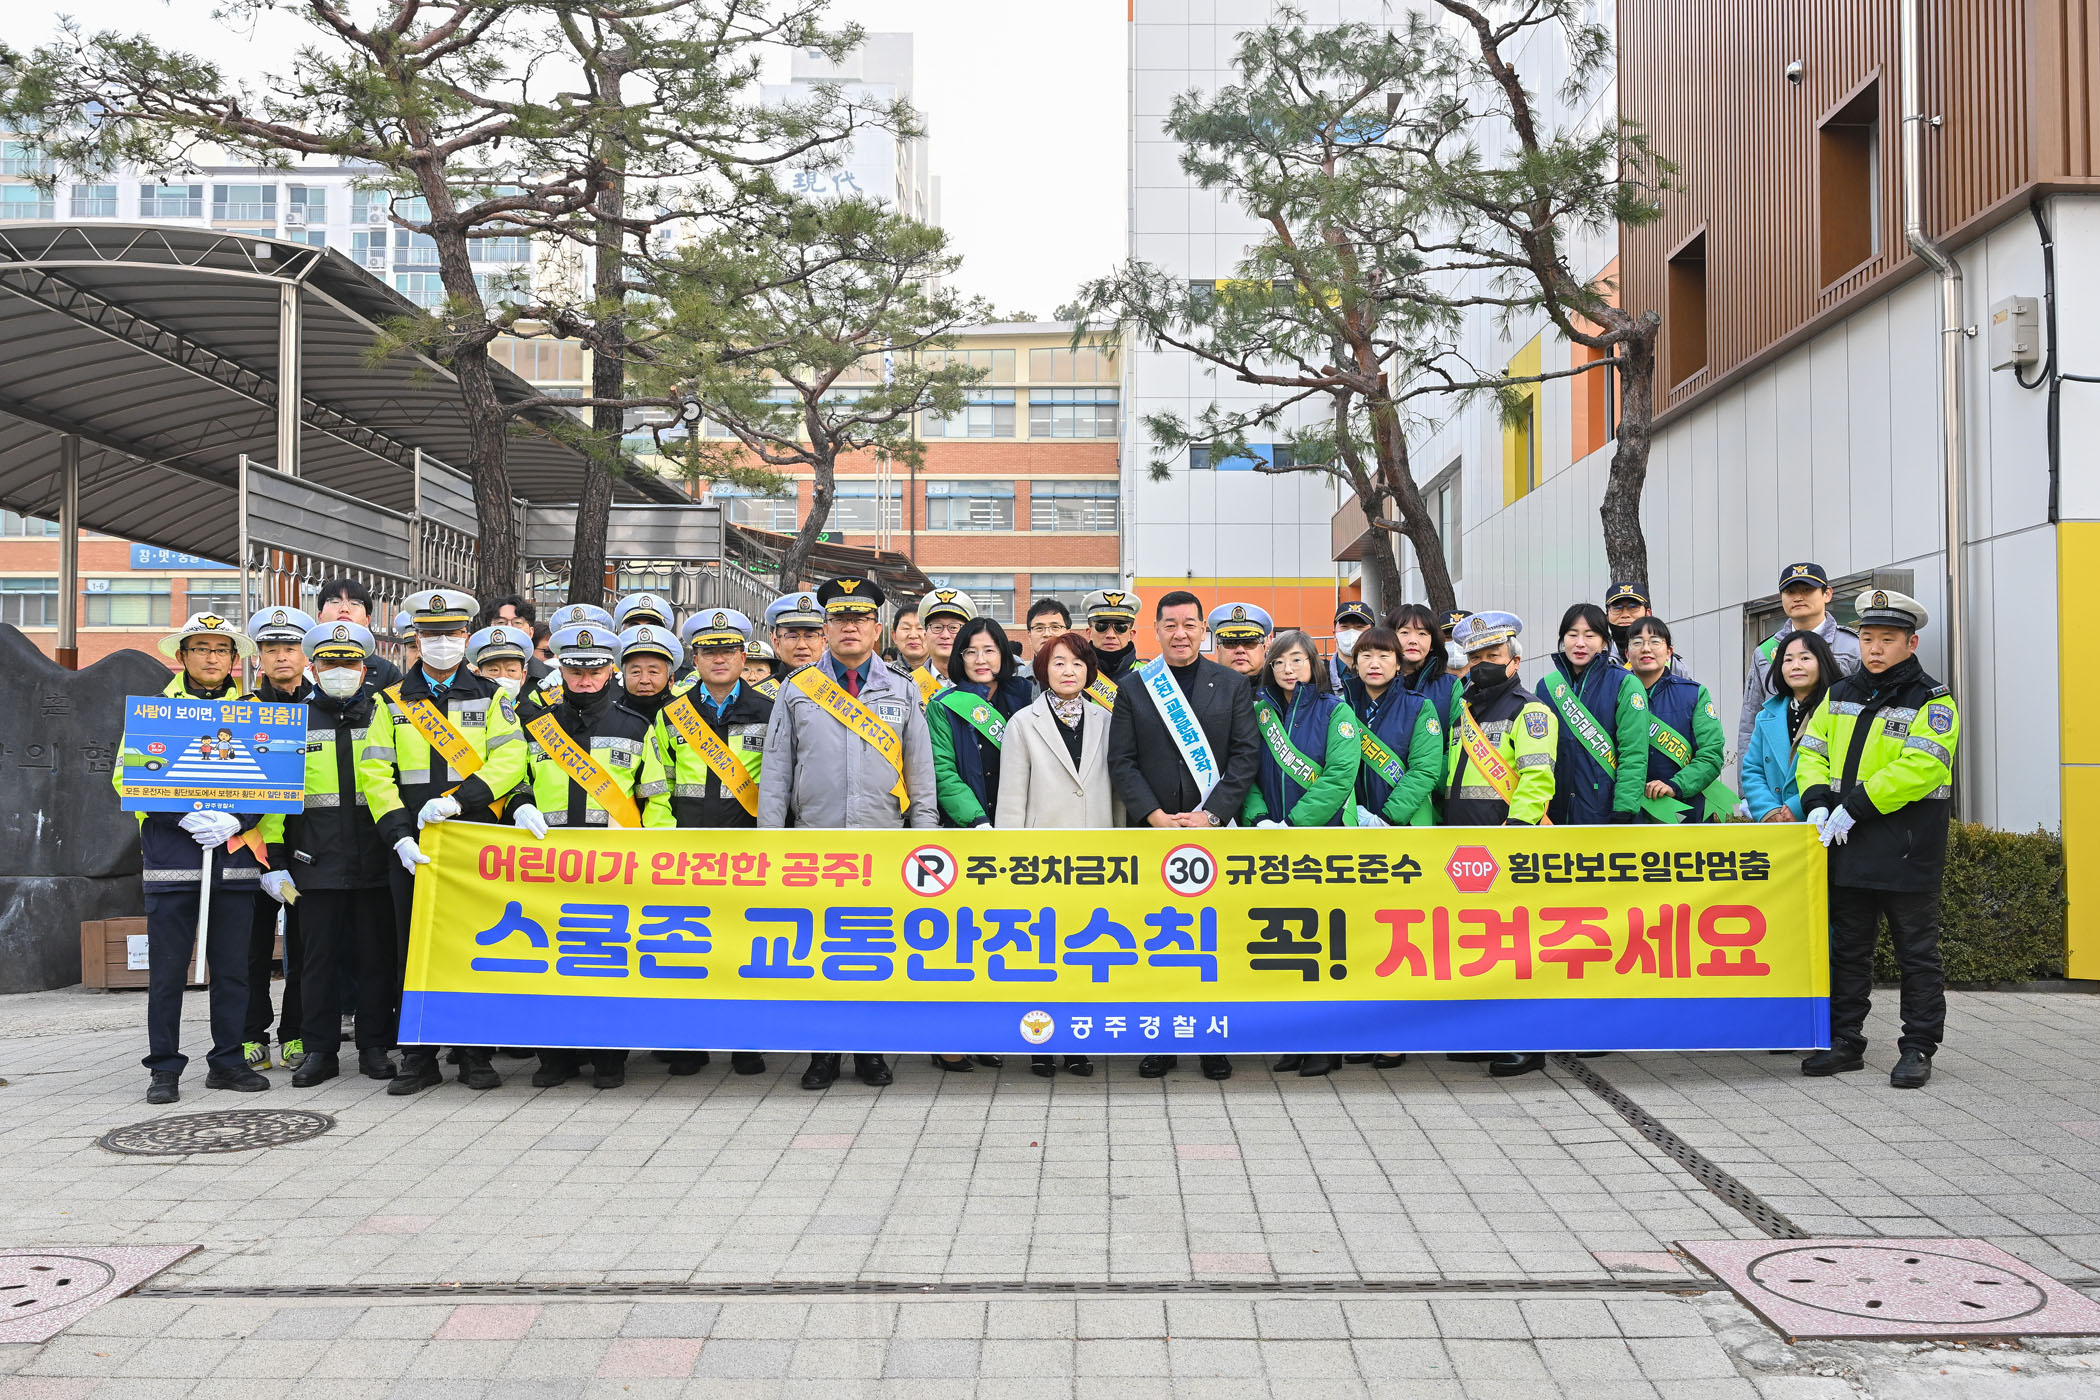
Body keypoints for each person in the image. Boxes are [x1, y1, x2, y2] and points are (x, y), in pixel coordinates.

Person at [758, 576, 939, 1090]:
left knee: (873, 950)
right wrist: (770, 840)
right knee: (822, 953)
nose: (850, 628)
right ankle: (823, 1053)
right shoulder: (798, 687)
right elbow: (777, 769)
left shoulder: (902, 688)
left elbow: (921, 771)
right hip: (817, 844)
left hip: (883, 842)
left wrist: (923, 839)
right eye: (839, 619)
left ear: (877, 629)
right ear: (827, 628)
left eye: (860, 619)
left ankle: (871, 1052)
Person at [361, 588, 530, 1097]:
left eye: (451, 633)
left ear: (466, 636)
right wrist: (398, 836)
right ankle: (417, 1054)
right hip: (413, 848)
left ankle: (474, 1052)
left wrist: (460, 801)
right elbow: (375, 774)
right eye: (432, 634)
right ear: (416, 638)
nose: (442, 642)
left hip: (474, 840)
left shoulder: (492, 696)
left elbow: (510, 761)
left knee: (474, 945)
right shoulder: (390, 702)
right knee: (413, 951)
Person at [1796, 589, 1958, 1090]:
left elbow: (1923, 766)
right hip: (1848, 845)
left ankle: (1918, 1048)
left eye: (1888, 639)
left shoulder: (1933, 699)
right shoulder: (1839, 692)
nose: (1875, 648)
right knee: (1848, 950)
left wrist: (1855, 805)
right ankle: (1845, 1042)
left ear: (1911, 643)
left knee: (1917, 955)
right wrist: (1816, 800)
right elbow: (1812, 751)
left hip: (1907, 847)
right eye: (1868, 638)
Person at [123, 613, 277, 1104]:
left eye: (221, 649)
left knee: (232, 970)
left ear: (234, 659)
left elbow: (278, 779)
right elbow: (127, 777)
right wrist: (181, 815)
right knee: (167, 972)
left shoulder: (258, 712)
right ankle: (163, 1068)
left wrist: (238, 819)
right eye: (201, 648)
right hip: (171, 858)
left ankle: (228, 1061)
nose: (212, 658)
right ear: (182, 655)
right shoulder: (155, 711)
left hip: (233, 859)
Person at [513, 621, 673, 1089]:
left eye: (595, 671)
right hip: (549, 865)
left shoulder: (635, 725)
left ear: (610, 672)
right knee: (549, 961)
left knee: (608, 961)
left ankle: (609, 1056)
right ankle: (554, 1056)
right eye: (575, 671)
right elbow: (517, 780)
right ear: (561, 671)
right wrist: (521, 804)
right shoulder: (536, 726)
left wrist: (656, 854)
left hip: (613, 867)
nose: (585, 680)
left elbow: (656, 798)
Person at [1108, 590, 1261, 1082]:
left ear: (1203, 631)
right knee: (1158, 940)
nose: (1180, 633)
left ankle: (1212, 1042)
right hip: (1153, 835)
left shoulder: (1232, 684)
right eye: (1170, 625)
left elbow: (1246, 756)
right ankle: (1161, 1040)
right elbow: (1122, 761)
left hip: (1213, 834)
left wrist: (1211, 815)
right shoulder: (1135, 687)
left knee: (1211, 942)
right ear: (1155, 630)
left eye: (1189, 624)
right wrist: (1152, 814)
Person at [1241, 628, 1361, 1080]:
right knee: (1285, 946)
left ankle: (1327, 1044)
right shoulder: (1261, 712)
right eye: (1279, 662)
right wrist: (1258, 819)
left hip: (1321, 843)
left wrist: (1294, 824)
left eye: (1297, 660)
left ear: (1314, 663)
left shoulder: (1335, 711)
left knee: (1323, 949)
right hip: (1272, 846)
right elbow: (1247, 771)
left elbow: (1340, 776)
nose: (1288, 669)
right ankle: (1293, 1039)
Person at [655, 609, 771, 1077]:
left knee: (745, 949)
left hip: (747, 852)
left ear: (744, 656)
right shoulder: (672, 714)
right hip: (687, 853)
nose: (719, 659)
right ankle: (690, 1042)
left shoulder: (769, 711)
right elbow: (658, 786)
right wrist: (666, 845)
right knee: (688, 948)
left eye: (728, 650)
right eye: (709, 651)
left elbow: (778, 783)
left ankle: (746, 1042)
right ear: (695, 658)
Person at [1442, 611, 1557, 1080]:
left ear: (1515, 659)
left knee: (1516, 950)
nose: (1482, 664)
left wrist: (1516, 831)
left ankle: (1524, 1043)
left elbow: (1537, 777)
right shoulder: (1465, 710)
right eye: (1475, 657)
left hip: (1508, 843)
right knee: (1476, 948)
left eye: (1493, 654)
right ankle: (1483, 1034)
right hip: (1465, 846)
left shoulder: (1530, 711)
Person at [996, 629, 1113, 1079]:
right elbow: (1011, 799)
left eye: (1078, 663)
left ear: (1090, 672)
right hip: (1039, 861)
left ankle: (1078, 1044)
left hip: (1095, 859)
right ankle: (1040, 1044)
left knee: (1085, 951)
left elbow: (1116, 795)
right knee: (1041, 956)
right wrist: (1010, 858)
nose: (1069, 671)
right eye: (1059, 663)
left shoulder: (1105, 719)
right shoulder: (1023, 723)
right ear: (1043, 670)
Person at [289, 620, 399, 1085]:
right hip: (315, 861)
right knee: (318, 962)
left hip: (375, 856)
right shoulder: (292, 720)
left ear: (364, 669)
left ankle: (375, 1047)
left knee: (376, 958)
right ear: (313, 668)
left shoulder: (384, 716)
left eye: (350, 663)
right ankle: (319, 1050)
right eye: (330, 663)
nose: (340, 671)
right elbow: (277, 798)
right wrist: (275, 859)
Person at [238, 606, 318, 1077]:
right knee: (251, 948)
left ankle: (296, 1034)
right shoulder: (242, 711)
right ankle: (251, 1035)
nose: (282, 657)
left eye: (290, 648)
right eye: (271, 649)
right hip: (253, 849)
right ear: (259, 658)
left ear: (307, 655)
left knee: (304, 948)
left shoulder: (323, 706)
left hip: (307, 850)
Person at [1735, 562, 1863, 788]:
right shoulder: (1764, 652)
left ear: (1827, 594)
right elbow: (1750, 720)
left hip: (1833, 770)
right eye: (1790, 592)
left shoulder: (1854, 646)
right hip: (1778, 775)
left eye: (1807, 590)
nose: (1798, 597)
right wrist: (1747, 791)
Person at [1534, 603, 1650, 826]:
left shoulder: (1624, 683)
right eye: (1572, 635)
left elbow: (1634, 753)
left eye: (1589, 635)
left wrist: (1624, 809)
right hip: (1554, 813)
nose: (1580, 643)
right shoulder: (1546, 687)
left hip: (1606, 812)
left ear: (1604, 641)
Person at [928, 616, 1034, 831]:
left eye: (989, 650)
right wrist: (976, 820)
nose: (980, 660)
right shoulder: (943, 706)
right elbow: (942, 770)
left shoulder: (1025, 694)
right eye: (970, 652)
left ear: (1003, 654)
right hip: (968, 826)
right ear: (960, 657)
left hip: (1022, 823)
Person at [1623, 618, 1729, 823]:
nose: (1646, 649)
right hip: (1626, 812)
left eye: (1655, 641)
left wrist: (1676, 785)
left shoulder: (1693, 694)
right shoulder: (1614, 695)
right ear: (1627, 654)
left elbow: (1710, 754)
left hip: (1685, 810)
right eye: (1637, 642)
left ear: (1669, 652)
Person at [1344, 626, 1443, 829]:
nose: (1374, 664)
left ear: (1398, 663)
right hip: (1350, 823)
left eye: (1384, 656)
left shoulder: (1419, 707)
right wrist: (1353, 812)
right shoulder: (1340, 707)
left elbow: (1424, 770)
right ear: (1355, 663)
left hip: (1405, 825)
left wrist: (1387, 817)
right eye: (1366, 656)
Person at [1741, 629, 1840, 824]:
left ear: (1823, 662)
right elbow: (1752, 769)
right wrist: (1768, 810)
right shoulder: (1765, 716)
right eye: (1788, 660)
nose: (1795, 666)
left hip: (1822, 818)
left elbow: (1841, 768)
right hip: (1776, 824)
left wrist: (1798, 806)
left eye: (1805, 658)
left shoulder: (1839, 712)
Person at [318, 579, 403, 689]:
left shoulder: (387, 673)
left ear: (367, 620)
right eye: (334, 602)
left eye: (354, 603)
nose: (344, 609)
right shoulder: (304, 669)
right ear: (320, 616)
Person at [1604, 581, 1690, 677]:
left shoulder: (1672, 664)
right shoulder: (1598, 658)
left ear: (1648, 613)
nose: (1625, 614)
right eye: (1617, 608)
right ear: (1607, 615)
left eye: (1633, 607)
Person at [913, 588, 976, 706]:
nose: (945, 635)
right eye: (937, 627)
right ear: (925, 635)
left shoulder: (980, 681)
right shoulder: (910, 684)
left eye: (953, 627)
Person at [1081, 588, 1143, 694]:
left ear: (1131, 634)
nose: (1111, 635)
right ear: (1089, 632)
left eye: (1120, 627)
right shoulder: (1074, 672)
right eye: (1102, 626)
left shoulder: (1149, 674)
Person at [480, 593, 549, 684]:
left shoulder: (549, 677)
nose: (509, 628)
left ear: (531, 632)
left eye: (517, 622)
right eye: (501, 622)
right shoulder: (472, 675)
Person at [466, 623, 533, 702]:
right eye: (494, 670)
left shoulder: (535, 710)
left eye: (511, 670)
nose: (502, 677)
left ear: (523, 676)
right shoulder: (466, 708)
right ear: (478, 675)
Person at [765, 590, 827, 675]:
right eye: (792, 636)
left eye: (810, 636)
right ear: (777, 644)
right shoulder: (763, 685)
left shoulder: (837, 682)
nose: (802, 645)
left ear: (823, 642)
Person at [1209, 602, 1273, 679]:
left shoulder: (1281, 685)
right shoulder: (1202, 684)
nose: (1240, 650)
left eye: (1249, 642)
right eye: (1230, 643)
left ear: (1264, 648)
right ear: (1218, 649)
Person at [1326, 600, 1375, 689]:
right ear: (1334, 634)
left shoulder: (1384, 673)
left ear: (1373, 633)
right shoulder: (1318, 675)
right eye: (1345, 627)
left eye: (1359, 627)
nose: (1352, 632)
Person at [888, 603, 931, 677]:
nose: (913, 635)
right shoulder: (883, 675)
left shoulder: (947, 673)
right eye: (906, 628)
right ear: (894, 636)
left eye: (920, 628)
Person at [1023, 598, 1071, 664]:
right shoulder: (1020, 671)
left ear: (1068, 634)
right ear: (1029, 636)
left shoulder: (1083, 670)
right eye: (1039, 628)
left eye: (1055, 627)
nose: (1047, 634)